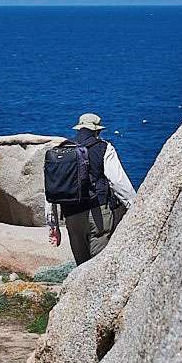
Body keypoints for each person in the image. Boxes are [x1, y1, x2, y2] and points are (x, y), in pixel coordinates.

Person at [46, 112, 136, 265]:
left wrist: (53, 225)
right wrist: (135, 208)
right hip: (98, 213)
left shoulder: (61, 150)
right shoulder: (104, 148)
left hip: (71, 216)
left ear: (78, 129)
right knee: (98, 267)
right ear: (97, 131)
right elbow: (118, 182)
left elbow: (51, 192)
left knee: (82, 268)